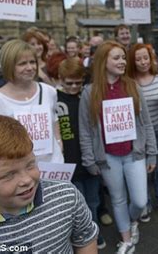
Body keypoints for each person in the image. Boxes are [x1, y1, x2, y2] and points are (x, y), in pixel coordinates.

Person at [0, 115, 98, 253]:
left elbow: (85, 238)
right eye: (9, 175)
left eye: (30, 165)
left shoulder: (67, 196)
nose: (27, 180)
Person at [79, 41, 157, 254]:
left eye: (123, 57)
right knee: (118, 198)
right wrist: (89, 160)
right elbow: (86, 130)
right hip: (108, 157)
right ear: (104, 61)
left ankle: (133, 221)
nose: (122, 61)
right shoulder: (90, 93)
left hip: (134, 153)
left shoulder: (133, 86)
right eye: (117, 58)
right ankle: (126, 239)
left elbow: (146, 123)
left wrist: (152, 154)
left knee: (140, 201)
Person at [0, 39, 64, 164]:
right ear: (9, 65)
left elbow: (54, 120)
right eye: (22, 63)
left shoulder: (49, 91)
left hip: (54, 166)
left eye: (32, 62)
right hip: (20, 173)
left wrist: (59, 143)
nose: (30, 68)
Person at [57, 57, 106, 249]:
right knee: (77, 204)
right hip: (68, 162)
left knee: (92, 200)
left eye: (79, 82)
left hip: (90, 158)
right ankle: (80, 237)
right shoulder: (55, 98)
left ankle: (93, 235)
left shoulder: (86, 96)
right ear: (61, 79)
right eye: (69, 83)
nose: (74, 87)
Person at [127, 44, 158, 221]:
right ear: (132, 61)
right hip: (138, 136)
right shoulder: (128, 82)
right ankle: (144, 202)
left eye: (145, 57)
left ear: (151, 58)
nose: (142, 62)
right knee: (142, 170)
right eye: (138, 59)